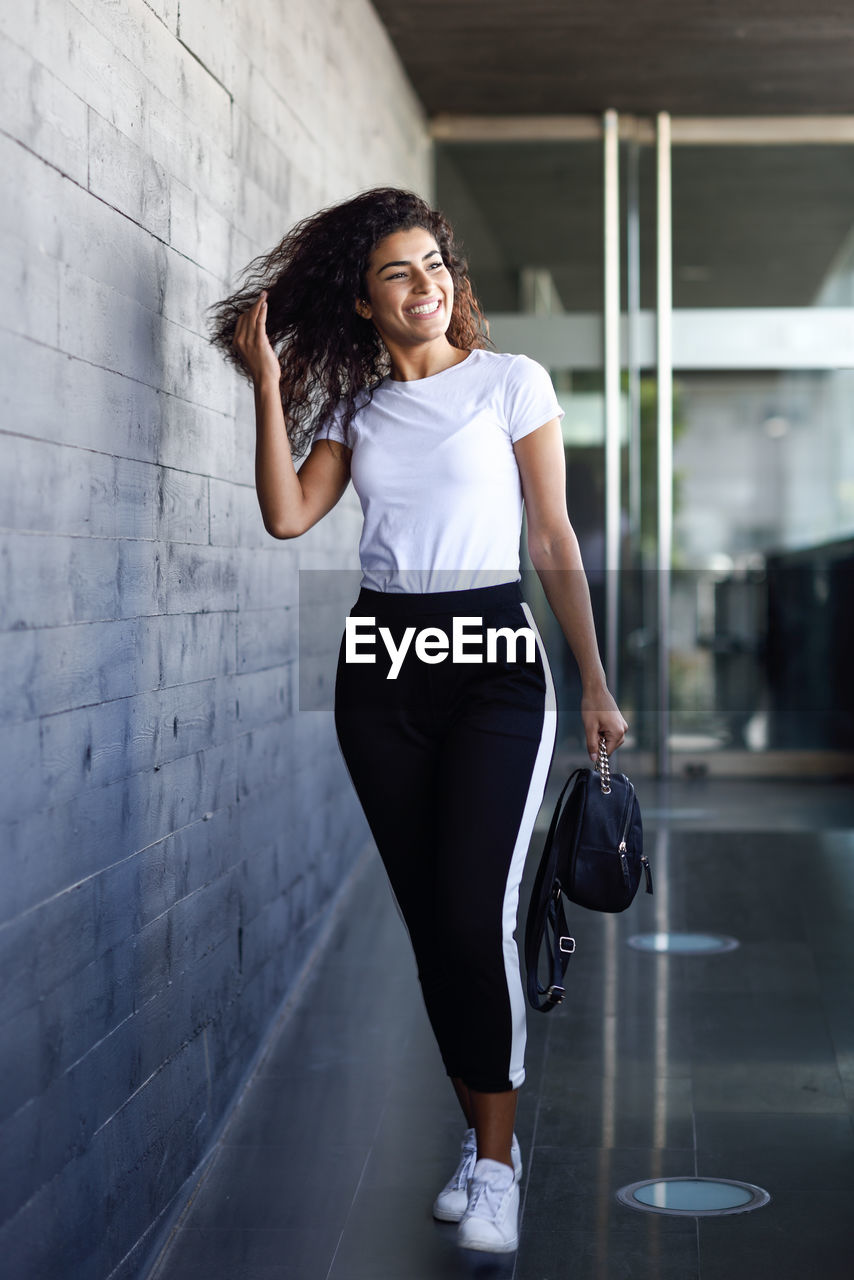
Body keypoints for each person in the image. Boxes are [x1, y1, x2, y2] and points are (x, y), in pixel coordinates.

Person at [209, 187, 627, 1254]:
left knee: (471, 911)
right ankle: (480, 1136)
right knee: (434, 926)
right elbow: (286, 513)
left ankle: (496, 1163)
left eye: (434, 263)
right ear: (362, 299)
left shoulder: (509, 383)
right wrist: (268, 386)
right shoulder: (353, 408)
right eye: (398, 270)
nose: (425, 283)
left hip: (492, 661)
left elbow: (551, 537)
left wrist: (591, 676)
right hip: (382, 669)